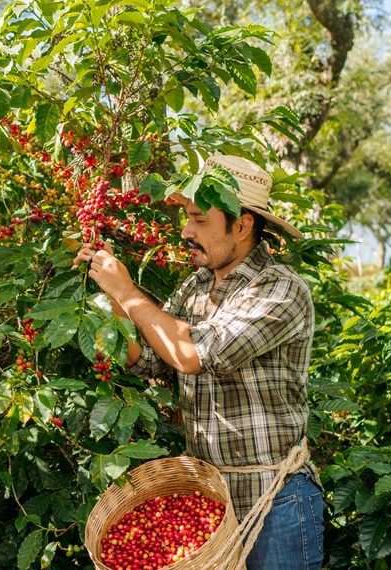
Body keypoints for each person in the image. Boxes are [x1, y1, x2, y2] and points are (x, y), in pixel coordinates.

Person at [73, 155, 324, 569]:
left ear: (242, 225)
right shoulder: (194, 288)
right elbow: (150, 361)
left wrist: (130, 290)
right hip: (210, 499)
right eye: (186, 218)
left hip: (277, 498)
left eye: (200, 220)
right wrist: (116, 298)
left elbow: (196, 354)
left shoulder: (280, 289)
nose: (186, 231)